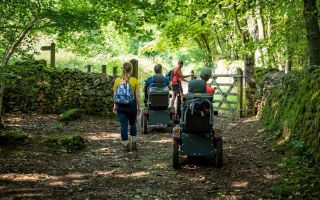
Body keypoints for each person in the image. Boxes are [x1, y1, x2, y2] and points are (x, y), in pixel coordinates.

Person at [113, 62, 140, 151]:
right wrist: (138, 106)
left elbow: (115, 94)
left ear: (123, 69)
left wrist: (114, 105)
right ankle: (134, 143)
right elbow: (137, 96)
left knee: (123, 125)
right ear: (131, 70)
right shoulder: (134, 80)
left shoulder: (117, 80)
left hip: (120, 105)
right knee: (132, 124)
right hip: (131, 105)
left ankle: (125, 145)